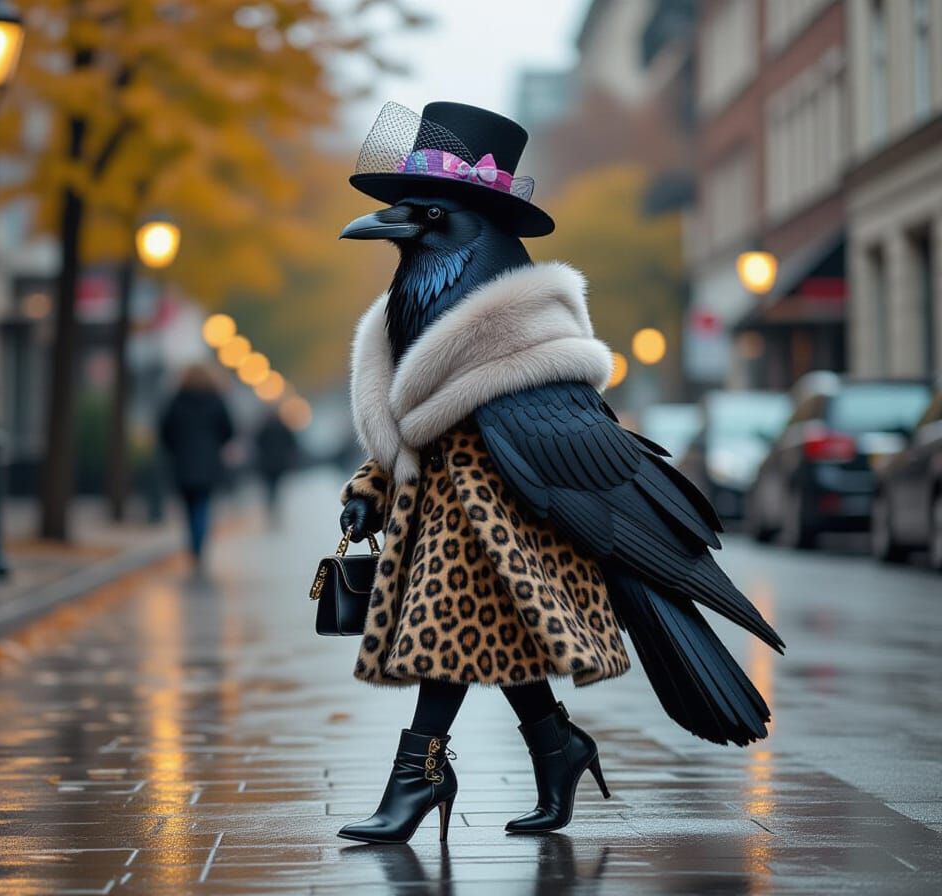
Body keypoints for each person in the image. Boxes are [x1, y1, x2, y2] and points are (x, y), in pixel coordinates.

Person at [330, 102, 783, 845]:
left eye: (424, 217)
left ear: (472, 236)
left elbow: (536, 454)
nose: (395, 228)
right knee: (487, 641)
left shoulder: (520, 347)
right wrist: (368, 491)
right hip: (463, 523)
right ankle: (555, 748)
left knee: (450, 635)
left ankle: (418, 778)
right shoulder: (422, 327)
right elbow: (418, 427)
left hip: (513, 523)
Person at [158, 364, 234, 566]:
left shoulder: (177, 401)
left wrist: (175, 447)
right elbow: (229, 430)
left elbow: (165, 430)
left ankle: (193, 544)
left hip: (182, 463)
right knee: (203, 504)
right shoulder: (216, 401)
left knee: (189, 506)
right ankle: (199, 546)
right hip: (209, 463)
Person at [253, 409, 299, 517]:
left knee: (271, 487)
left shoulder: (264, 429)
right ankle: (273, 507)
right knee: (273, 487)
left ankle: (272, 507)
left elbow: (257, 444)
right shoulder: (282, 428)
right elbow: (292, 444)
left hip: (269, 464)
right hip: (275, 464)